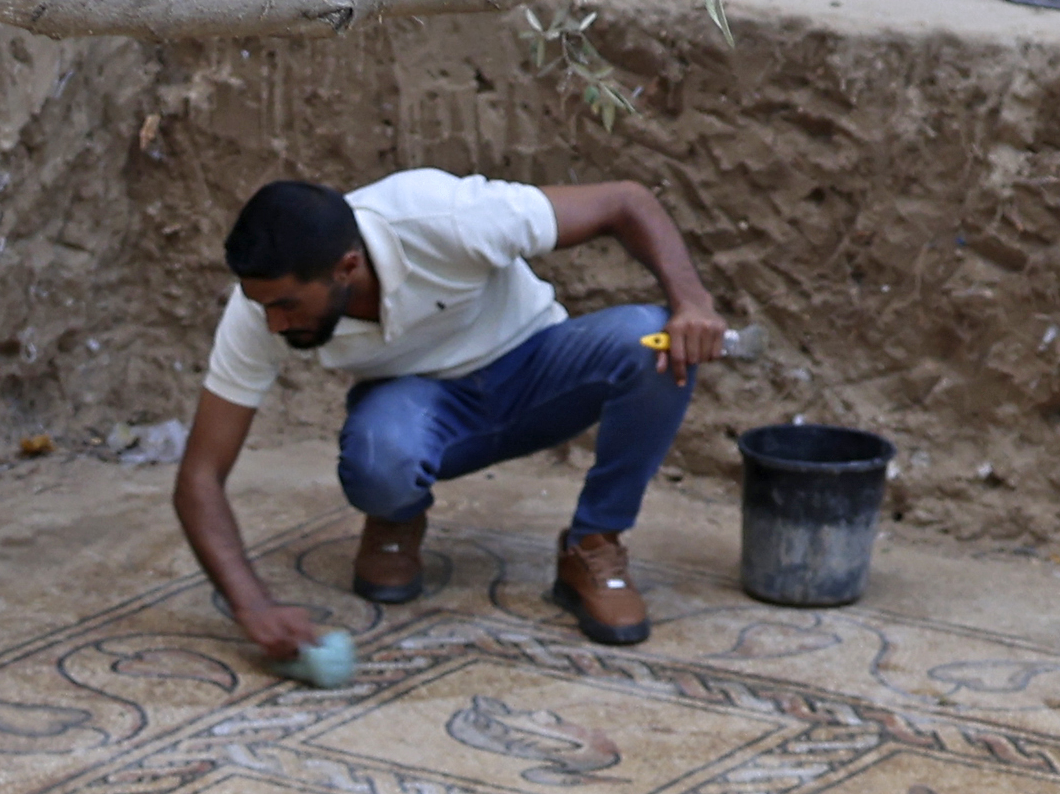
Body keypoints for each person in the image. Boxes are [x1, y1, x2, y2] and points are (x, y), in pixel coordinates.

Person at [169, 168, 728, 653]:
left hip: (540, 374)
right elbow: (199, 476)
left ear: (345, 266)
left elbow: (625, 200)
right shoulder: (260, 309)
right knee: (380, 455)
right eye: (263, 306)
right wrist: (253, 607)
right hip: (427, 411)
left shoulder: (445, 217)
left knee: (653, 341)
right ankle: (396, 515)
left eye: (287, 305)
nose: (274, 324)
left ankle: (594, 544)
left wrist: (692, 303)